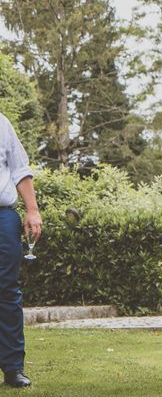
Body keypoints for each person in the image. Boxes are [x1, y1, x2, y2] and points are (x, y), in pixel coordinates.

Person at [0, 113, 42, 388]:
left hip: (2, 217)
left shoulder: (1, 123)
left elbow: (19, 169)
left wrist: (32, 210)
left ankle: (13, 368)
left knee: (7, 291)